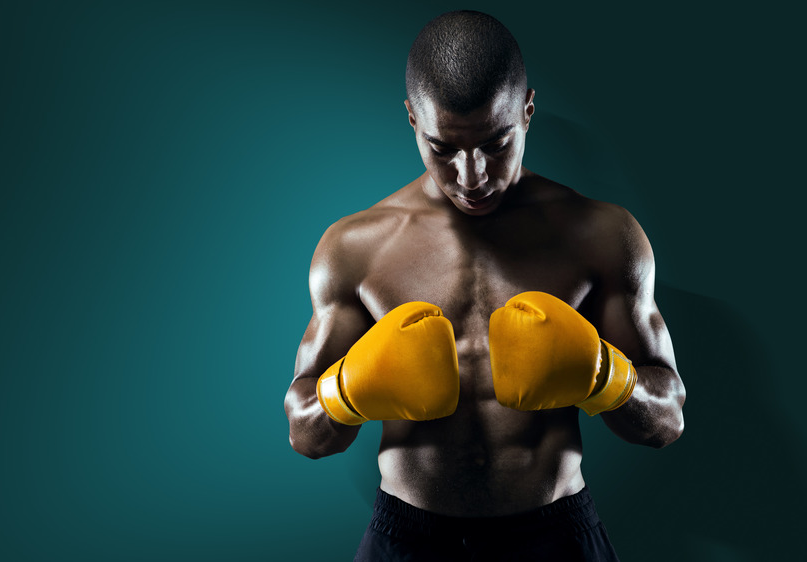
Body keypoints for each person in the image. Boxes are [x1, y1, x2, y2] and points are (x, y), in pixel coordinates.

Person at [283, 10, 686, 562]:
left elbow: (666, 420)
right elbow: (305, 434)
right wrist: (347, 393)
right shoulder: (356, 248)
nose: (471, 176)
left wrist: (603, 377)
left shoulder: (600, 236)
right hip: (408, 537)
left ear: (527, 111)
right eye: (443, 149)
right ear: (411, 119)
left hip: (555, 534)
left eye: (496, 144)